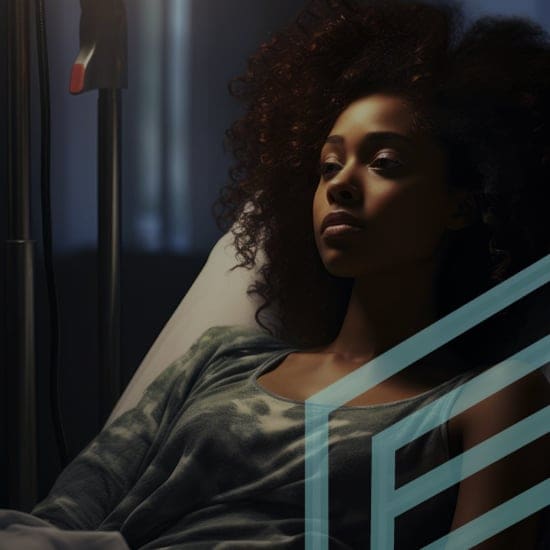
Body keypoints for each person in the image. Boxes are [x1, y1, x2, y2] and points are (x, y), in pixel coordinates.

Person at [6, 0, 549, 548]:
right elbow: (63, 518)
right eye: (328, 165)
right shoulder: (218, 359)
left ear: (462, 204)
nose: (339, 185)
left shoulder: (487, 400)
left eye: (385, 162)